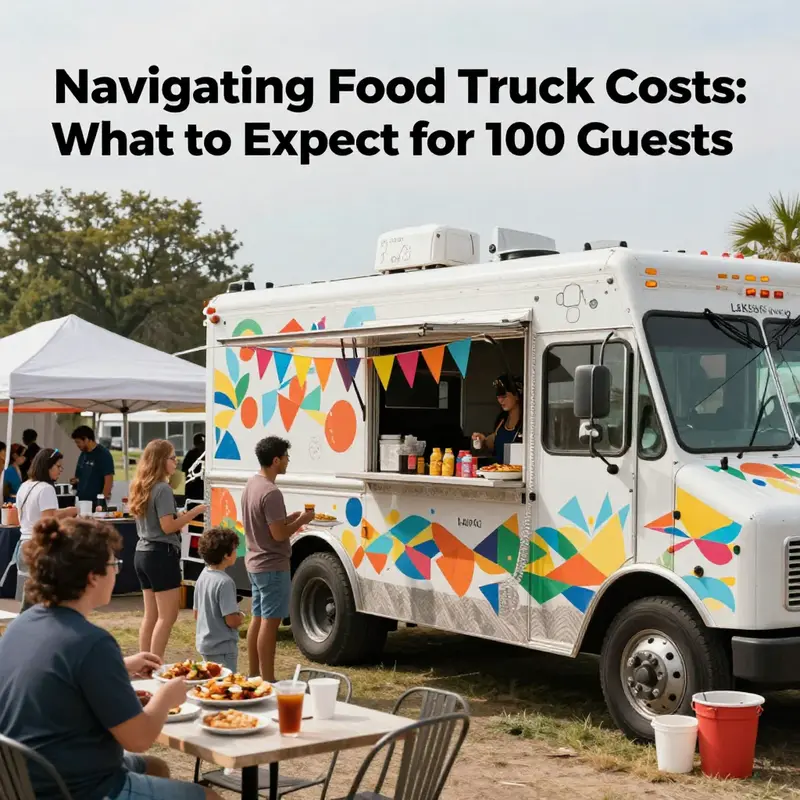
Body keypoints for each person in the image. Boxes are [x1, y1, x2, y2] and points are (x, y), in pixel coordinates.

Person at [0, 515, 221, 800]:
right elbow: (139, 739)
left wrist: (121, 667)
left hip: (25, 779)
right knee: (210, 798)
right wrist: (166, 697)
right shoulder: (92, 642)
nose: (116, 572)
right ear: (93, 576)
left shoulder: (22, 624)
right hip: (76, 788)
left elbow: (56, 674)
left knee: (155, 768)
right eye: (113, 564)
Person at [241, 436, 313, 682]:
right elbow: (278, 533)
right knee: (270, 625)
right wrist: (302, 521)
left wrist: (288, 519)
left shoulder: (252, 483)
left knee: (257, 619)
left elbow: (269, 523)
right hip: (272, 565)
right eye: (286, 457)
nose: (287, 461)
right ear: (275, 460)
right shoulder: (271, 492)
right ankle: (269, 680)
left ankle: (253, 673)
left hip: (255, 561)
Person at [129, 439, 206, 659]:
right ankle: (154, 664)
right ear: (162, 461)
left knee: (151, 615)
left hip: (142, 552)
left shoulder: (141, 485)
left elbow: (162, 521)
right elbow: (168, 526)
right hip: (161, 554)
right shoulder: (162, 488)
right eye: (172, 457)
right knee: (168, 616)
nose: (176, 462)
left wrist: (178, 517)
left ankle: (143, 662)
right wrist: (195, 511)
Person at [5, 448, 79, 612]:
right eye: (58, 466)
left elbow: (23, 517)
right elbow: (48, 521)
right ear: (47, 466)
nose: (60, 470)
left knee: (28, 604)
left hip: (23, 546)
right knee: (44, 603)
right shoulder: (46, 488)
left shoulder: (24, 486)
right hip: (40, 547)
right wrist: (69, 512)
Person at [193, 526, 243, 673]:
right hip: (223, 647)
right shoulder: (225, 582)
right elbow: (231, 621)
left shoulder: (203, 575)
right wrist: (241, 617)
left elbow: (196, 614)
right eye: (234, 549)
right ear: (226, 555)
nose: (236, 553)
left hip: (205, 644)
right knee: (225, 685)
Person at [471, 373, 524, 464]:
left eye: (504, 396)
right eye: (498, 397)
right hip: (498, 471)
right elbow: (494, 442)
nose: (500, 400)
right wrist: (483, 440)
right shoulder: (502, 420)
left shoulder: (528, 422)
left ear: (516, 395)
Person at [71, 425, 115, 505]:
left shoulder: (103, 454)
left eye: (78, 442)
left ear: (87, 439)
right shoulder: (83, 454)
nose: (77, 445)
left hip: (95, 503)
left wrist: (101, 502)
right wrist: (76, 481)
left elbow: (109, 481)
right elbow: (80, 476)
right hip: (81, 501)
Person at [182, 433, 206, 503]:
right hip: (193, 487)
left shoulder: (208, 454)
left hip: (203, 486)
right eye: (200, 443)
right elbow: (185, 469)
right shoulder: (191, 454)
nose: (202, 446)